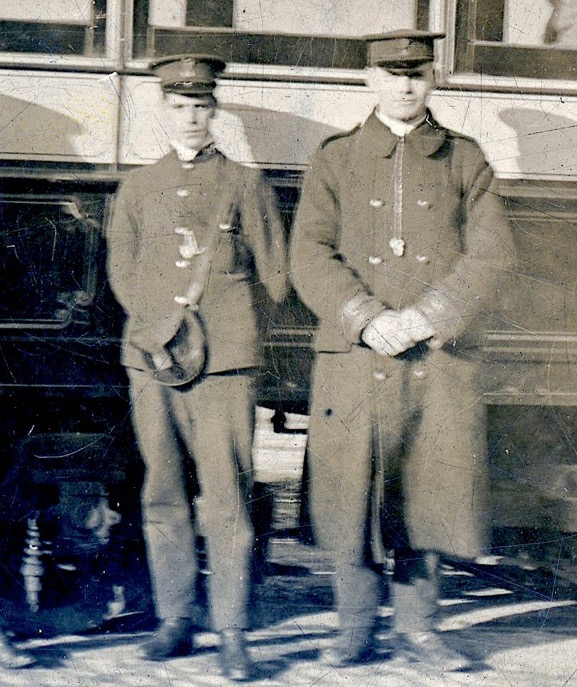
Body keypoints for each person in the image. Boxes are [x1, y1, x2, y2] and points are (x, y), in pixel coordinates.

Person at [290, 29, 516, 670]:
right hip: (357, 356)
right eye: (392, 74)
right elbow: (308, 253)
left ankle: (420, 631)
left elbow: (493, 253)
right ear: (370, 80)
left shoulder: (465, 159)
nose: (405, 85)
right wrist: (364, 318)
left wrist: (427, 316)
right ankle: (354, 627)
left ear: (432, 81)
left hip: (435, 358)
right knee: (352, 491)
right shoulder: (334, 159)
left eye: (416, 74)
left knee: (427, 490)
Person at [106, 54, 287, 681]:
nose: (190, 117)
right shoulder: (136, 187)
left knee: (228, 497)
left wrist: (230, 337)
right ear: (163, 112)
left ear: (215, 111)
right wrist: (161, 335)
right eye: (179, 107)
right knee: (163, 492)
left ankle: (232, 631)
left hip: (225, 366)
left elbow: (275, 278)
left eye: (201, 106)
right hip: (154, 361)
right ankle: (174, 621)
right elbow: (123, 274)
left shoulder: (246, 184)